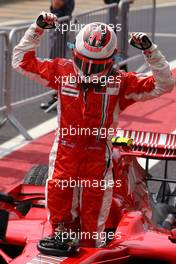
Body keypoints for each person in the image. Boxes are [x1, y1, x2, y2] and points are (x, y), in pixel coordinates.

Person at [12, 12, 174, 255]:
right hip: (64, 155)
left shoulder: (120, 83)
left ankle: (91, 251)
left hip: (99, 160)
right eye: (84, 62)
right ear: (75, 53)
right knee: (58, 208)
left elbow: (164, 83)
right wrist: (36, 28)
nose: (88, 70)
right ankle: (60, 245)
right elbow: (21, 61)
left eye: (95, 65)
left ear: (110, 60)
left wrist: (151, 51)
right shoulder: (61, 71)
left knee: (93, 219)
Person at [40, 0, 75, 110]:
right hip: (60, 22)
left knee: (56, 62)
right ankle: (59, 95)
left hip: (60, 24)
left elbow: (57, 3)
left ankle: (59, 96)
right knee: (58, 61)